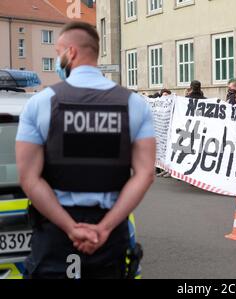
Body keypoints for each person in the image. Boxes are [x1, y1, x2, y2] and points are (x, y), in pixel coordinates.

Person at [15, 21, 156, 279]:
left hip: (56, 236)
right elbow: (145, 173)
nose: (59, 60)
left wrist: (70, 228)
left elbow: (29, 178)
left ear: (71, 52)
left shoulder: (40, 104)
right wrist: (105, 228)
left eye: (58, 53)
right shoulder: (135, 104)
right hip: (111, 236)